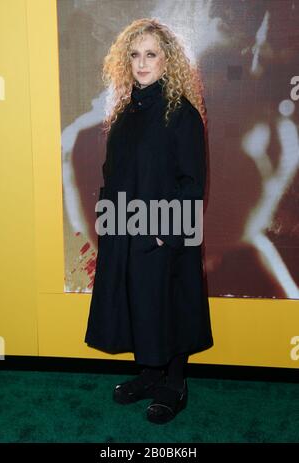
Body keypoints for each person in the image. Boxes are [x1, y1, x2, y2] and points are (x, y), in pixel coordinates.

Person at [84, 18, 213, 424]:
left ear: (167, 61)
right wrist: (111, 225)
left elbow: (192, 183)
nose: (142, 63)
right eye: (135, 55)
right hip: (125, 229)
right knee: (139, 305)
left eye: (151, 55)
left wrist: (165, 236)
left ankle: (174, 383)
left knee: (169, 305)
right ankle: (150, 373)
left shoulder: (182, 115)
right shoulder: (125, 112)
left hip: (163, 232)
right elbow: (114, 174)